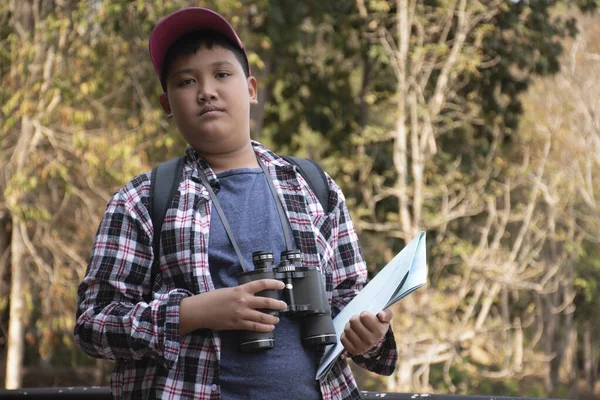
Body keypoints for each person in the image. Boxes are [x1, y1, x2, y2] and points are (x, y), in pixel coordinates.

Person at [74, 7, 397, 400]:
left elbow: (352, 299)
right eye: (186, 81)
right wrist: (192, 314)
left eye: (222, 74)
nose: (206, 90)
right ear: (167, 105)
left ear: (251, 89)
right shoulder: (141, 200)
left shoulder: (314, 186)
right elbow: (92, 324)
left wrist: (370, 334)